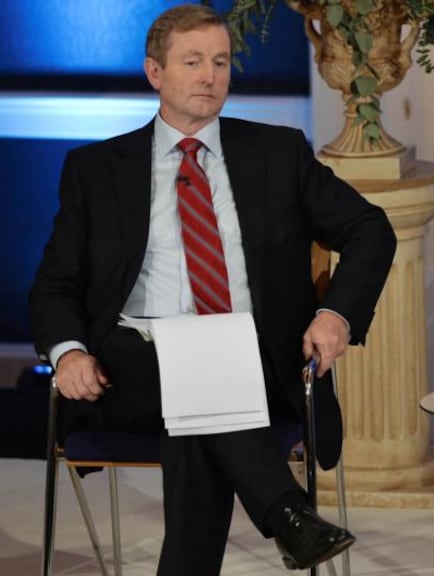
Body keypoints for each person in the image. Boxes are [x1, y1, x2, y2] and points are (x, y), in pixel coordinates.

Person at [29, 4, 397, 574]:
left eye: (220, 62)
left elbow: (370, 228)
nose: (209, 76)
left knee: (194, 426)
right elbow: (55, 285)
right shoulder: (96, 169)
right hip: (135, 363)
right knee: (194, 389)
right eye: (193, 61)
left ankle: (279, 520)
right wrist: (69, 351)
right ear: (155, 73)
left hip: (256, 359)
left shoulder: (277, 153)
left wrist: (336, 316)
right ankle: (288, 516)